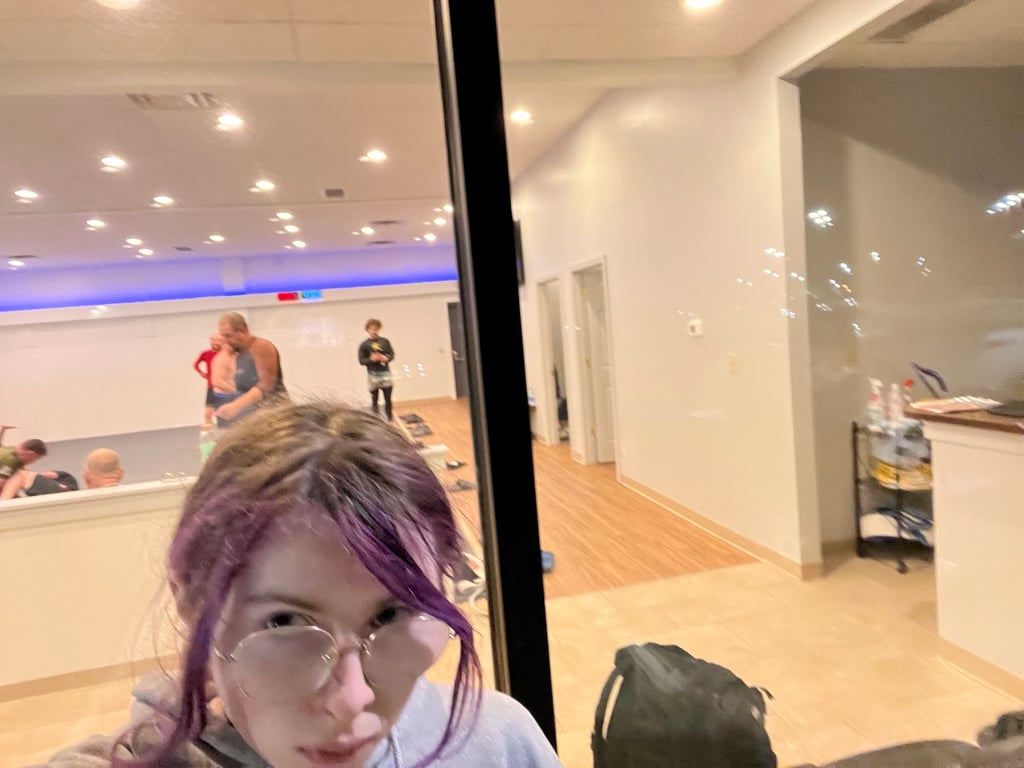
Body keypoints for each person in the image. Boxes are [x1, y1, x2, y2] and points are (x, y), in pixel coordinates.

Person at [38, 401, 562, 767]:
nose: (352, 699)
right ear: (192, 603)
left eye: (391, 614)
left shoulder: (497, 741)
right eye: (285, 622)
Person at [212, 312, 287, 428]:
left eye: (228, 336)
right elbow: (217, 376)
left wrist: (236, 405)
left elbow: (266, 385)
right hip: (251, 413)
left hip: (272, 412)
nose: (225, 340)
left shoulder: (261, 346)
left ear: (243, 331)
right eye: (223, 336)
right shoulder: (236, 351)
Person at [358, 318, 396, 421]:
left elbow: (392, 355)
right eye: (372, 329)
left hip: (385, 374)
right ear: (367, 329)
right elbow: (361, 361)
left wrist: (386, 358)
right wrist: (371, 359)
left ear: (379, 329)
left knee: (388, 398)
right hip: (372, 375)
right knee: (374, 399)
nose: (374, 331)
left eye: (376, 329)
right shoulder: (364, 345)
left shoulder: (385, 341)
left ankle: (390, 419)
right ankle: (375, 420)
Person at [193, 335, 235, 424]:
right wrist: (201, 373)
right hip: (211, 387)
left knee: (227, 413)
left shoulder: (227, 355)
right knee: (208, 414)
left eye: (218, 340)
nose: (215, 342)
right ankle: (209, 432)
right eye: (213, 340)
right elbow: (196, 364)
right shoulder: (205, 353)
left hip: (225, 388)